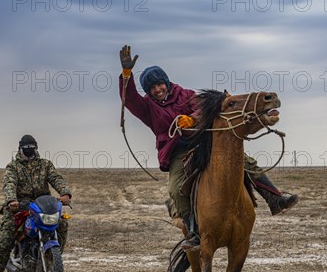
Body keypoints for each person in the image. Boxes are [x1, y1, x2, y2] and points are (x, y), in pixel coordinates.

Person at [118, 45, 299, 248]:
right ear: (149, 92)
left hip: (202, 141)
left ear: (166, 82)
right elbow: (130, 99)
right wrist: (126, 75)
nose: (157, 89)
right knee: (176, 189)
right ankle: (193, 230)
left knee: (243, 161)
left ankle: (274, 198)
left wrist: (192, 120)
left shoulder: (184, 94)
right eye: (152, 88)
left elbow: (203, 109)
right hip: (177, 150)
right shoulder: (147, 107)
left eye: (159, 84)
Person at [0, 134, 72, 272]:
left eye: (32, 147)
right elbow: (9, 183)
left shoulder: (45, 164)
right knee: (7, 236)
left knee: (62, 224)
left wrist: (65, 193)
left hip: (42, 204)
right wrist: (12, 200)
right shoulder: (13, 166)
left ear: (36, 148)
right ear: (20, 148)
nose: (29, 150)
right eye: (26, 147)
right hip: (19, 206)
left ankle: (53, 258)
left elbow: (56, 178)